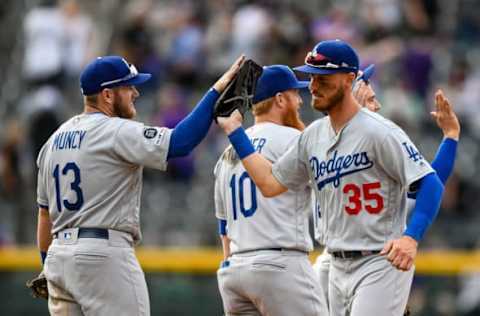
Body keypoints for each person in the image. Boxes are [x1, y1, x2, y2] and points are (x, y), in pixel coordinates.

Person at [217, 39, 445, 315]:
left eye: (323, 78)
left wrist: (411, 237)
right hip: (335, 264)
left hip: (378, 260)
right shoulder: (312, 136)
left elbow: (430, 182)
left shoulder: (379, 131)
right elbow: (269, 183)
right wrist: (235, 132)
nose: (313, 86)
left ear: (349, 79)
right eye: (312, 77)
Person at [36, 54, 244, 315]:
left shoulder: (53, 142)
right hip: (103, 256)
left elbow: (45, 215)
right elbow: (180, 142)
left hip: (59, 258)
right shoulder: (114, 130)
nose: (135, 92)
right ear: (108, 95)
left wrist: (48, 266)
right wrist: (215, 92)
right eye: (128, 86)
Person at [312, 75, 460, 313]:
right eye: (371, 99)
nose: (378, 106)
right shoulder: (353, 144)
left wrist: (451, 137)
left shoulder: (326, 141)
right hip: (345, 262)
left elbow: (429, 182)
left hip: (347, 261)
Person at [214, 65, 328, 316]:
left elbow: (223, 225)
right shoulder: (294, 139)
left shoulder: (227, 152)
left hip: (235, 271)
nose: (300, 101)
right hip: (281, 264)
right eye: (294, 94)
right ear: (280, 99)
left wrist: (230, 263)